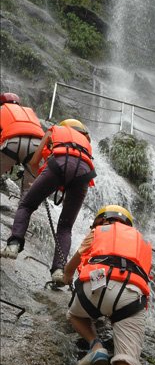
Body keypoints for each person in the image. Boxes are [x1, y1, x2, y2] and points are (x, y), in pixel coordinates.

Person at [63, 205, 154, 365]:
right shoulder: (142, 244)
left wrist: (65, 276)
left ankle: (96, 345)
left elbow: (72, 266)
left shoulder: (98, 232)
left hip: (96, 285)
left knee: (74, 315)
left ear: (101, 220)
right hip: (131, 297)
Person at [0, 119, 96, 286]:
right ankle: (59, 271)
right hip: (84, 174)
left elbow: (34, 162)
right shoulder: (86, 144)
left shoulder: (54, 131)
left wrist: (39, 183)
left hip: (58, 164)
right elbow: (75, 169)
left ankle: (14, 244)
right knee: (66, 226)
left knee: (27, 205)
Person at [0, 92, 44, 197]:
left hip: (13, 143)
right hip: (37, 147)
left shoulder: (2, 109)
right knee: (27, 191)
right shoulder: (29, 112)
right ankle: (23, 210)